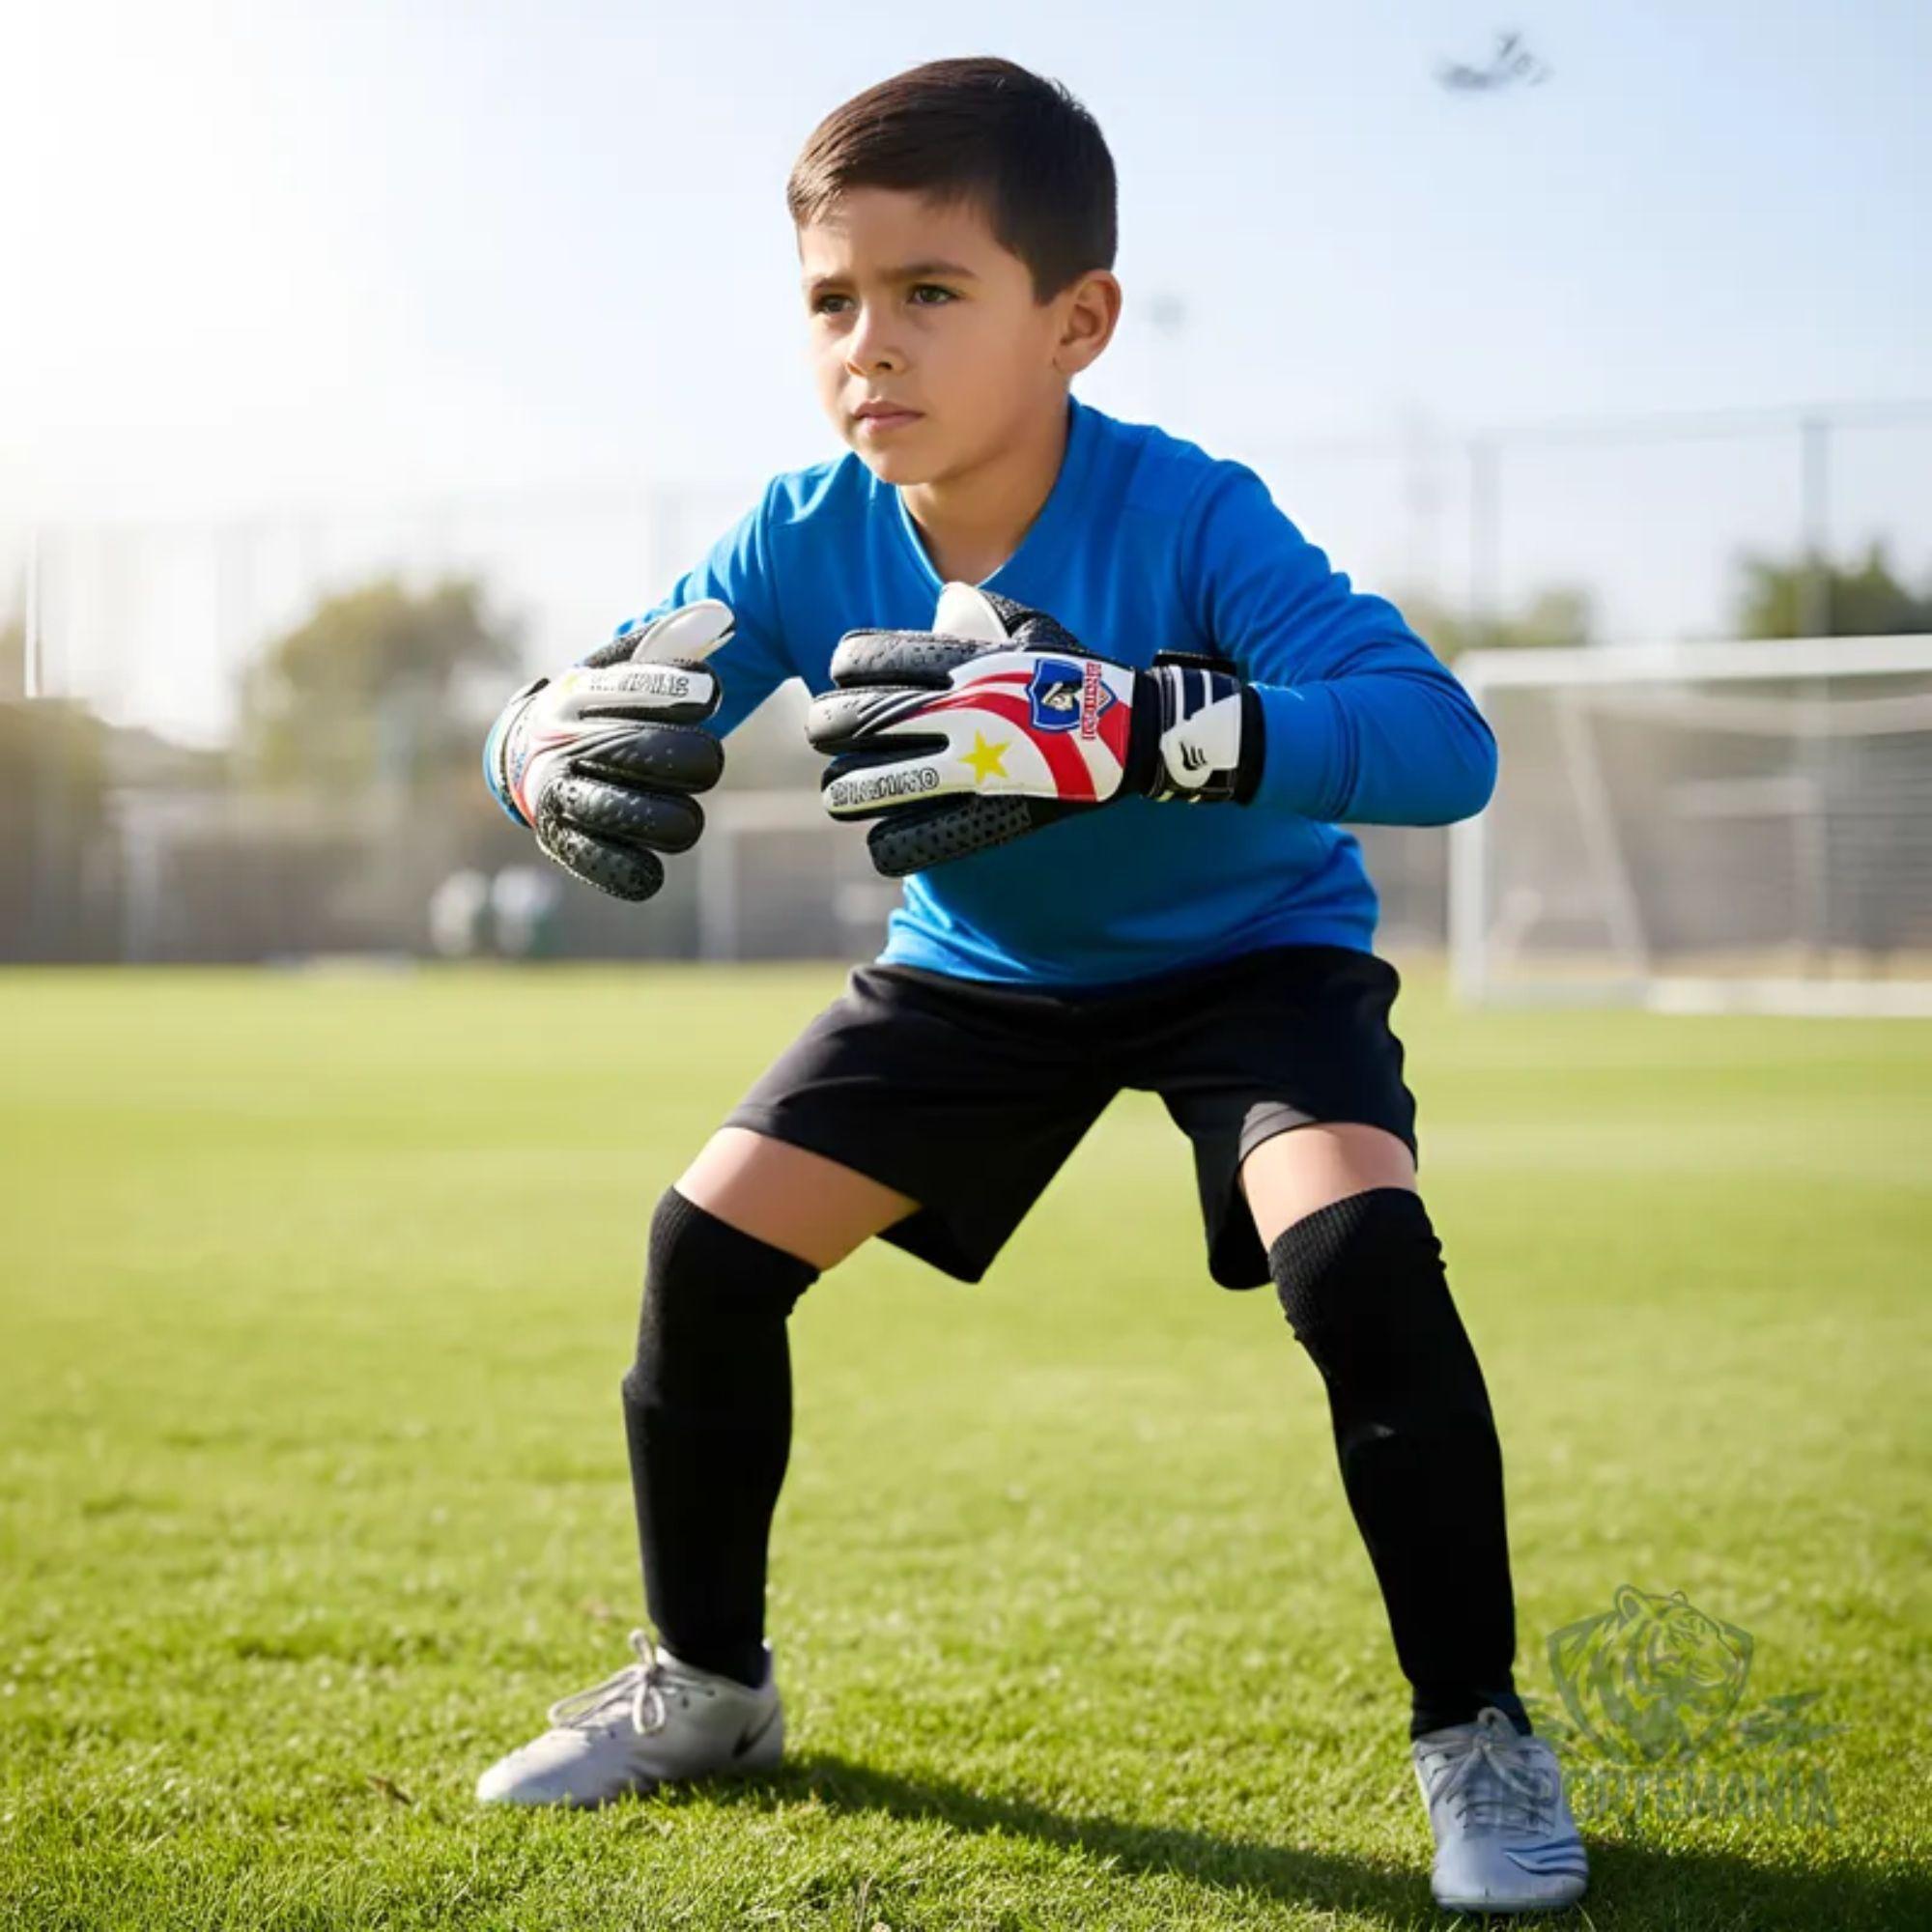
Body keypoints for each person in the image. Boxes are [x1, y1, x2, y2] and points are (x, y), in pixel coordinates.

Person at [473, 55, 1587, 1917]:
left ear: (1076, 322)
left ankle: (1476, 1731)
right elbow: (622, 678)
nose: (869, 347)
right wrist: (526, 738)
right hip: (981, 973)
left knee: (1360, 1257)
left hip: (1255, 959)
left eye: (929, 293)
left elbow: (1441, 744)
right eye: (832, 301)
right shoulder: (800, 530)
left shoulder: (1195, 513)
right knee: (709, 1251)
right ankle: (711, 1691)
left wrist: (1146, 725)